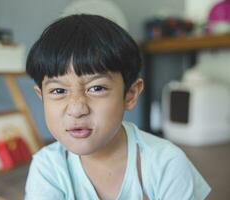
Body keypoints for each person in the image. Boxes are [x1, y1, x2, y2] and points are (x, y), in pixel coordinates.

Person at [24, 14, 211, 200]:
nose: (76, 109)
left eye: (96, 88)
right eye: (58, 91)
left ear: (130, 94)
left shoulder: (166, 163)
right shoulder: (47, 167)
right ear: (41, 97)